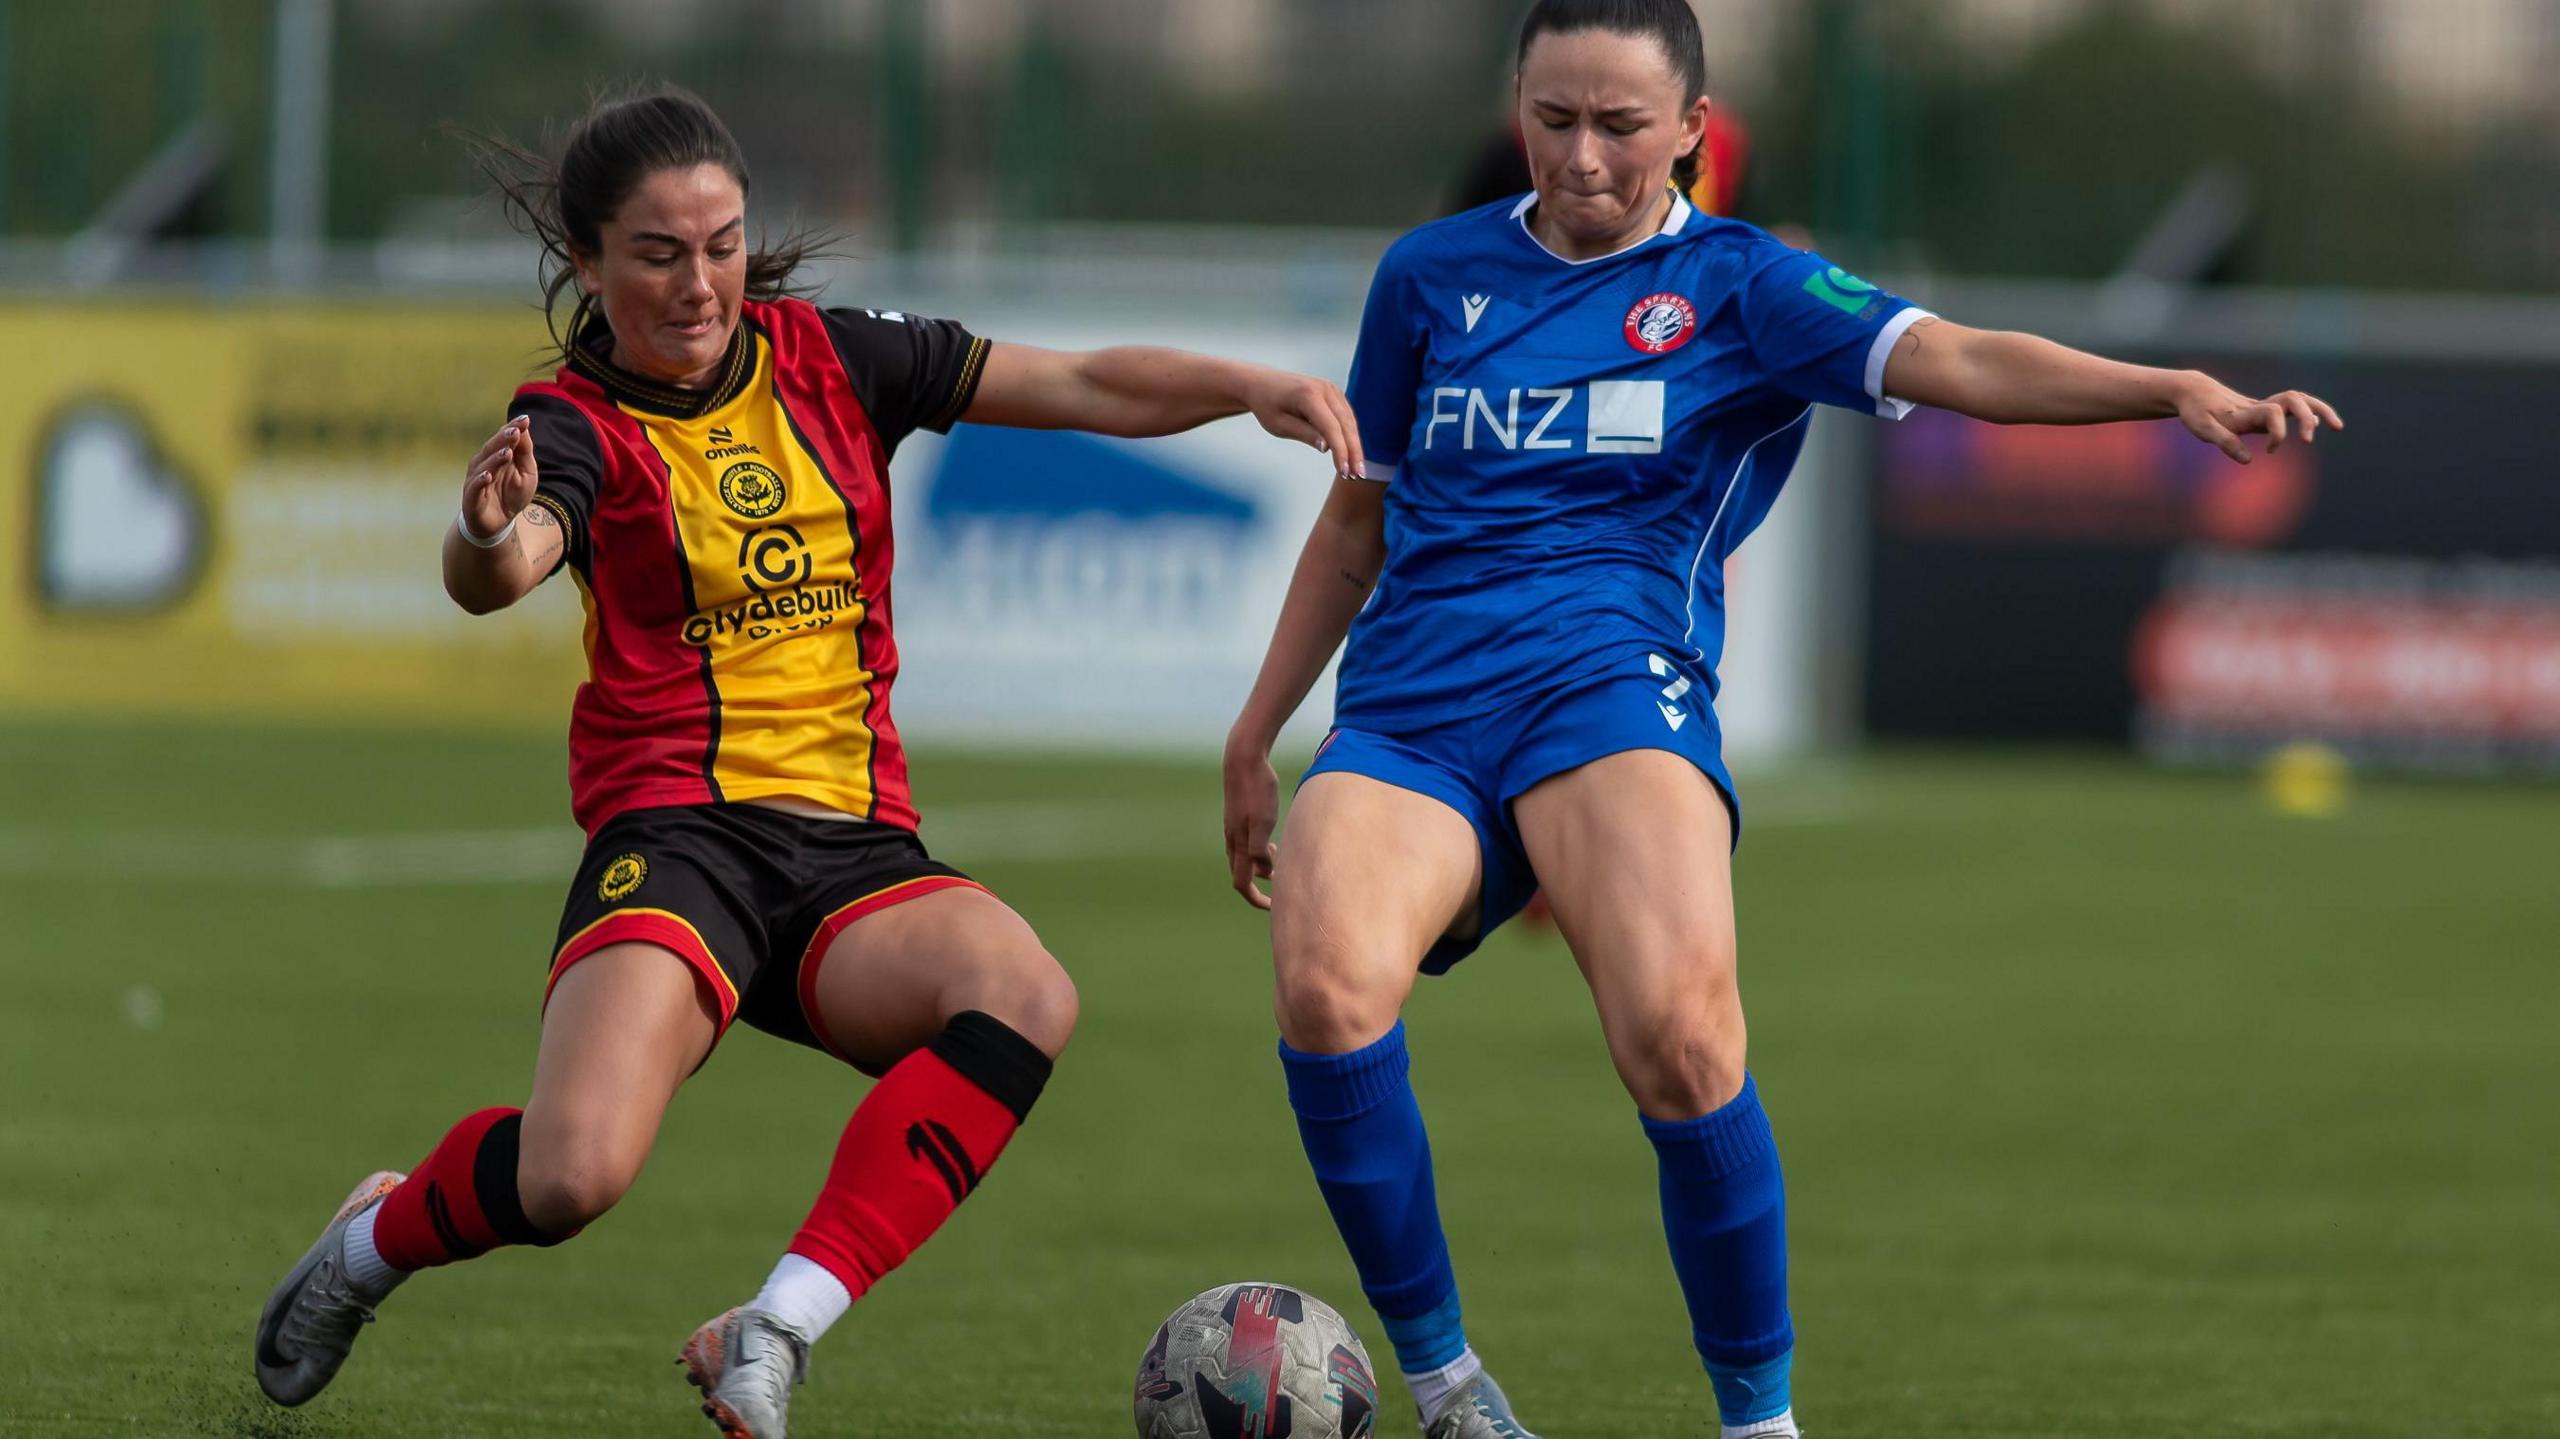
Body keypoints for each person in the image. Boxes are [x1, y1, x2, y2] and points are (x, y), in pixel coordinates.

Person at [1220, 4, 2341, 1437]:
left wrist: (2169, 386)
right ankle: (1450, 1390)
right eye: (1552, 118)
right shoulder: (1430, 276)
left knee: (1684, 1043)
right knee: (1323, 991)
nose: (1581, 155)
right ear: (1517, 109)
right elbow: (1357, 516)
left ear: (1691, 126)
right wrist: (1261, 731)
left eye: (1620, 124)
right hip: (1410, 709)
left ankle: (1762, 1424)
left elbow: (1963, 361)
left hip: (1610, 691)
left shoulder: (1748, 286)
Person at [251, 87, 1364, 1439]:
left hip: (853, 854)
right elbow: (508, 565)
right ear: (590, 266)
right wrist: (484, 534)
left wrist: (1252, 387)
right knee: (571, 1178)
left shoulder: (838, 358)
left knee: (1024, 994)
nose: (699, 281)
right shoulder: (571, 421)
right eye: (658, 254)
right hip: (680, 843)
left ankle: (775, 1325)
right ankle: (374, 1242)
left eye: (720, 245)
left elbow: (1075, 383)